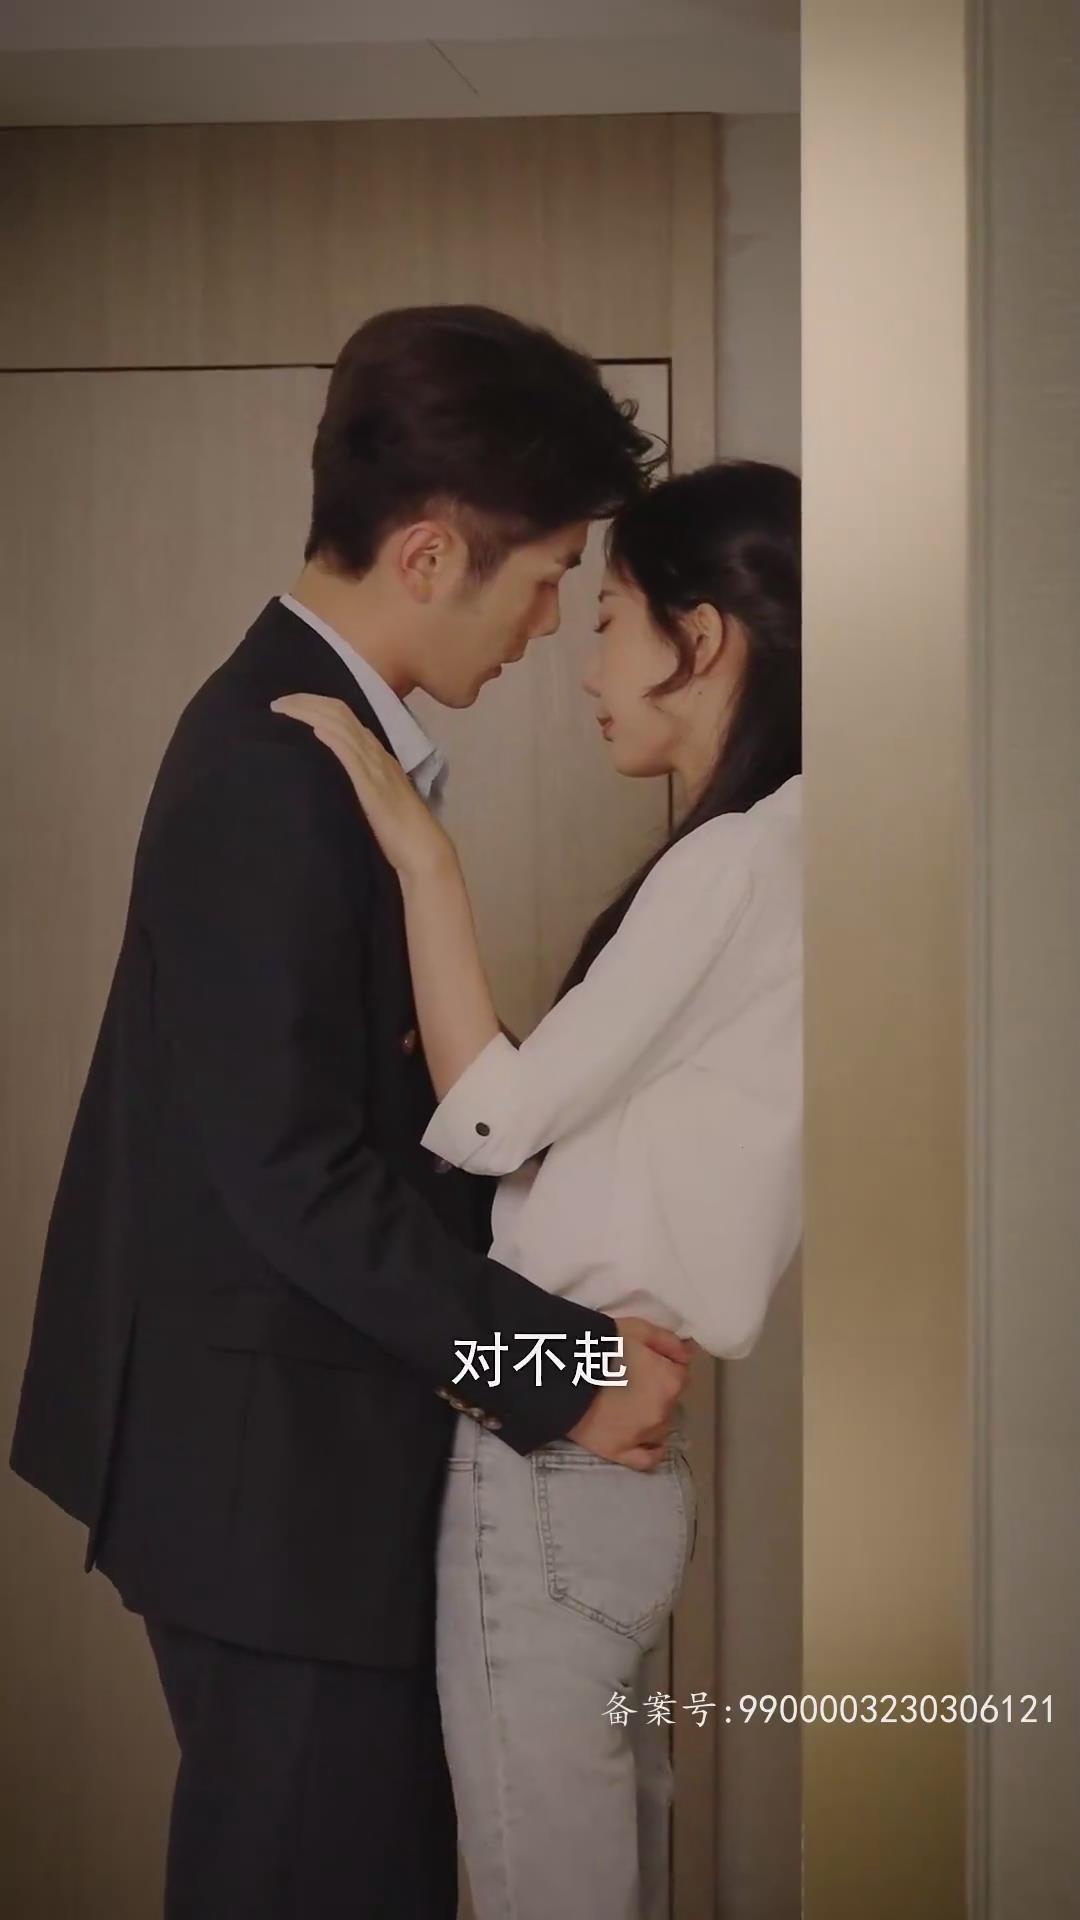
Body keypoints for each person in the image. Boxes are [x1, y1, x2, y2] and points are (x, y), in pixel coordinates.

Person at [9, 305, 694, 1920]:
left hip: (294, 1467)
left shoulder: (319, 743)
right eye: (546, 579)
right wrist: (559, 1373)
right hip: (271, 1489)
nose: (547, 627)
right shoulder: (273, 764)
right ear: (433, 554)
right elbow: (295, 1178)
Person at [273, 457, 804, 1920]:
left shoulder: (736, 864)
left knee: (540, 1882)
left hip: (564, 1445)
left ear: (705, 637)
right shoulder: (802, 852)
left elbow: (497, 1122)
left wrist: (421, 857)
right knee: (589, 1862)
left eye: (612, 615)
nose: (584, 659)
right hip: (618, 1448)